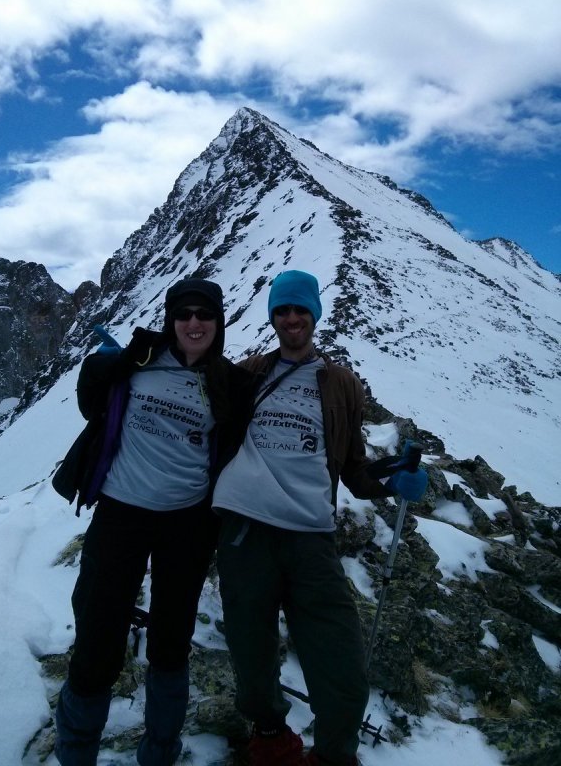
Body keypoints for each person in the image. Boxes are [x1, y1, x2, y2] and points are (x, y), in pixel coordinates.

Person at [212, 270, 428, 766]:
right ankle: (270, 737)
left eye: (300, 310)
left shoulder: (341, 384)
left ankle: (333, 755)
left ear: (314, 315)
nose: (291, 319)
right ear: (272, 318)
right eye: (282, 311)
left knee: (340, 661)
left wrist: (391, 482)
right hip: (246, 529)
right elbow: (197, 398)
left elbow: (352, 465)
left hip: (311, 535)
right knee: (251, 651)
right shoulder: (249, 374)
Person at [52, 278, 252, 766]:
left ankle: (160, 753)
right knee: (98, 640)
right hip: (120, 515)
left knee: (170, 643)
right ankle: (76, 753)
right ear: (170, 318)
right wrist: (110, 361)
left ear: (218, 322)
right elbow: (90, 391)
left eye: (205, 314)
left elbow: (243, 439)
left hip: (187, 524)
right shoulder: (139, 361)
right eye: (183, 313)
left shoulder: (226, 381)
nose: (194, 323)